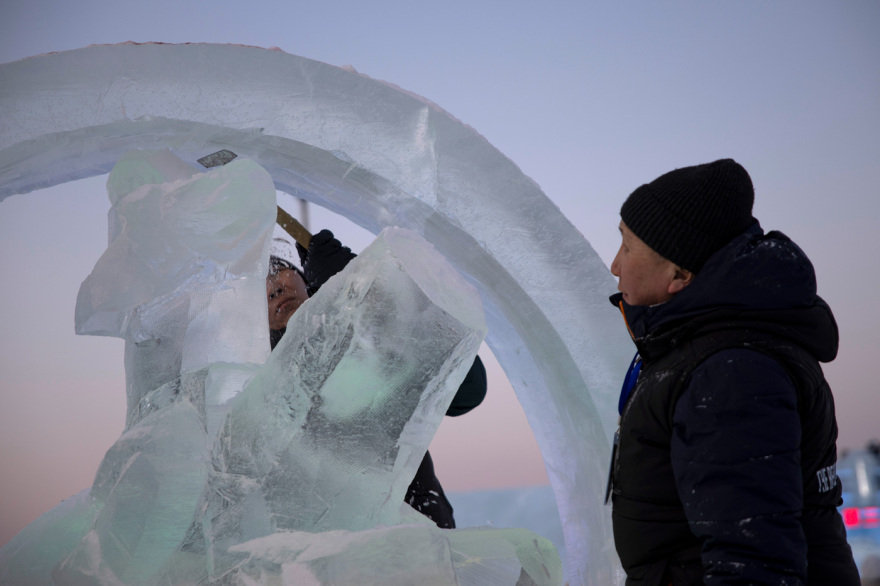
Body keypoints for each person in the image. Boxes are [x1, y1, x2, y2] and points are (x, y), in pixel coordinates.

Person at [606, 159, 860, 585]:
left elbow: (753, 561)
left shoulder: (732, 374)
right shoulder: (705, 347)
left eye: (628, 246)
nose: (615, 265)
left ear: (680, 274)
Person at [266, 229, 487, 528]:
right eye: (257, 287)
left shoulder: (371, 335)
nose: (273, 289)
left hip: (423, 535)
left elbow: (468, 389)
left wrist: (374, 290)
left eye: (278, 270)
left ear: (306, 277)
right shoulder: (259, 378)